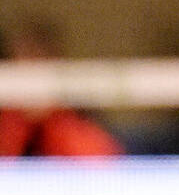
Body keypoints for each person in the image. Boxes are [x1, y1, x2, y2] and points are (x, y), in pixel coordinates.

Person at [0, 17, 123, 157]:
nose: (32, 69)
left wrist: (53, 118)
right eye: (23, 59)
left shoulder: (78, 112)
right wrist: (17, 122)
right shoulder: (6, 117)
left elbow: (104, 159)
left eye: (40, 58)